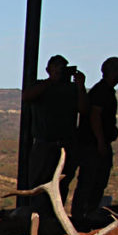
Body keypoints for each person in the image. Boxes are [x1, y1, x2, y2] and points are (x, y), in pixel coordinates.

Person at [22, 54, 87, 212]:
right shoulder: (41, 86)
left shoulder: (72, 89)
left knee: (61, 186)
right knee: (38, 187)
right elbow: (26, 96)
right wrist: (51, 80)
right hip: (44, 145)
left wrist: (80, 86)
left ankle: (54, 220)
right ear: (48, 70)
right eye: (56, 67)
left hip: (65, 145)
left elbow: (84, 109)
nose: (60, 71)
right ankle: (36, 218)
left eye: (62, 68)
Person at [71, 57, 118, 221]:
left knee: (94, 180)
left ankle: (85, 213)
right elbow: (95, 116)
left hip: (94, 143)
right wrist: (100, 141)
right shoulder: (102, 91)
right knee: (91, 180)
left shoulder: (103, 90)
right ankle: (83, 215)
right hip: (93, 145)